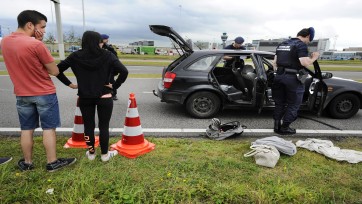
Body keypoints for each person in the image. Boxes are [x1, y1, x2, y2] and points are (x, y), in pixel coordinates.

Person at [0, 10, 77, 171]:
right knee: (48, 128)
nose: (43, 31)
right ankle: (52, 161)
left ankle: (27, 162)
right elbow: (54, 71)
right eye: (42, 27)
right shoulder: (36, 44)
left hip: (21, 93)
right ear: (30, 25)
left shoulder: (5, 41)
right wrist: (38, 41)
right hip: (43, 92)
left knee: (26, 129)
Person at [56, 31, 128, 162]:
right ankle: (105, 154)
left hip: (85, 97)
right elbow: (124, 71)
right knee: (104, 126)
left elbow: (57, 70)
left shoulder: (75, 56)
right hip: (105, 96)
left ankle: (91, 153)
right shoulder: (108, 55)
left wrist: (69, 84)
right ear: (97, 42)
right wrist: (115, 85)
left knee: (88, 126)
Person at [272, 27, 320, 135]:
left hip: (279, 76)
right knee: (294, 104)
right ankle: (285, 128)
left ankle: (276, 126)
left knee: (279, 103)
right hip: (292, 78)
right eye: (309, 40)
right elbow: (304, 63)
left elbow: (274, 62)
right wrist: (314, 58)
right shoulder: (300, 45)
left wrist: (280, 73)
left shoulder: (282, 44)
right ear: (307, 36)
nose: (308, 42)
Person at [101, 34, 119, 101]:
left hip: (110, 68)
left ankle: (114, 94)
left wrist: (111, 50)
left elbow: (115, 57)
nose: (107, 40)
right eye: (106, 39)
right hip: (101, 68)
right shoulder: (99, 46)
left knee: (111, 81)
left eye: (107, 39)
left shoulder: (109, 47)